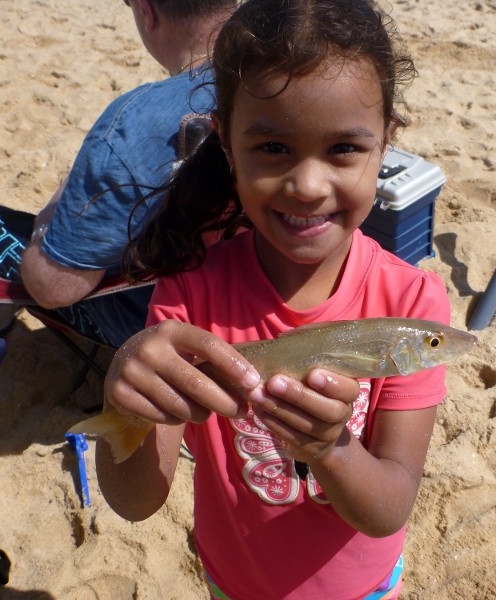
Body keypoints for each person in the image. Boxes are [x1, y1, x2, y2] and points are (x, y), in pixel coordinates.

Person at [97, 0, 450, 598]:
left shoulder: (411, 300)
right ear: (227, 146)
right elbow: (135, 504)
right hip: (230, 580)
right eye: (273, 148)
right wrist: (123, 390)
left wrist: (330, 450)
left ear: (386, 143)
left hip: (361, 587)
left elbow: (390, 506)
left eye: (343, 149)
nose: (308, 187)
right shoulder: (188, 294)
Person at [0, 0, 236, 348]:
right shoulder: (284, 74)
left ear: (146, 10)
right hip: (277, 308)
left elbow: (55, 288)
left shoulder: (136, 122)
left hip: (175, 335)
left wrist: (51, 212)